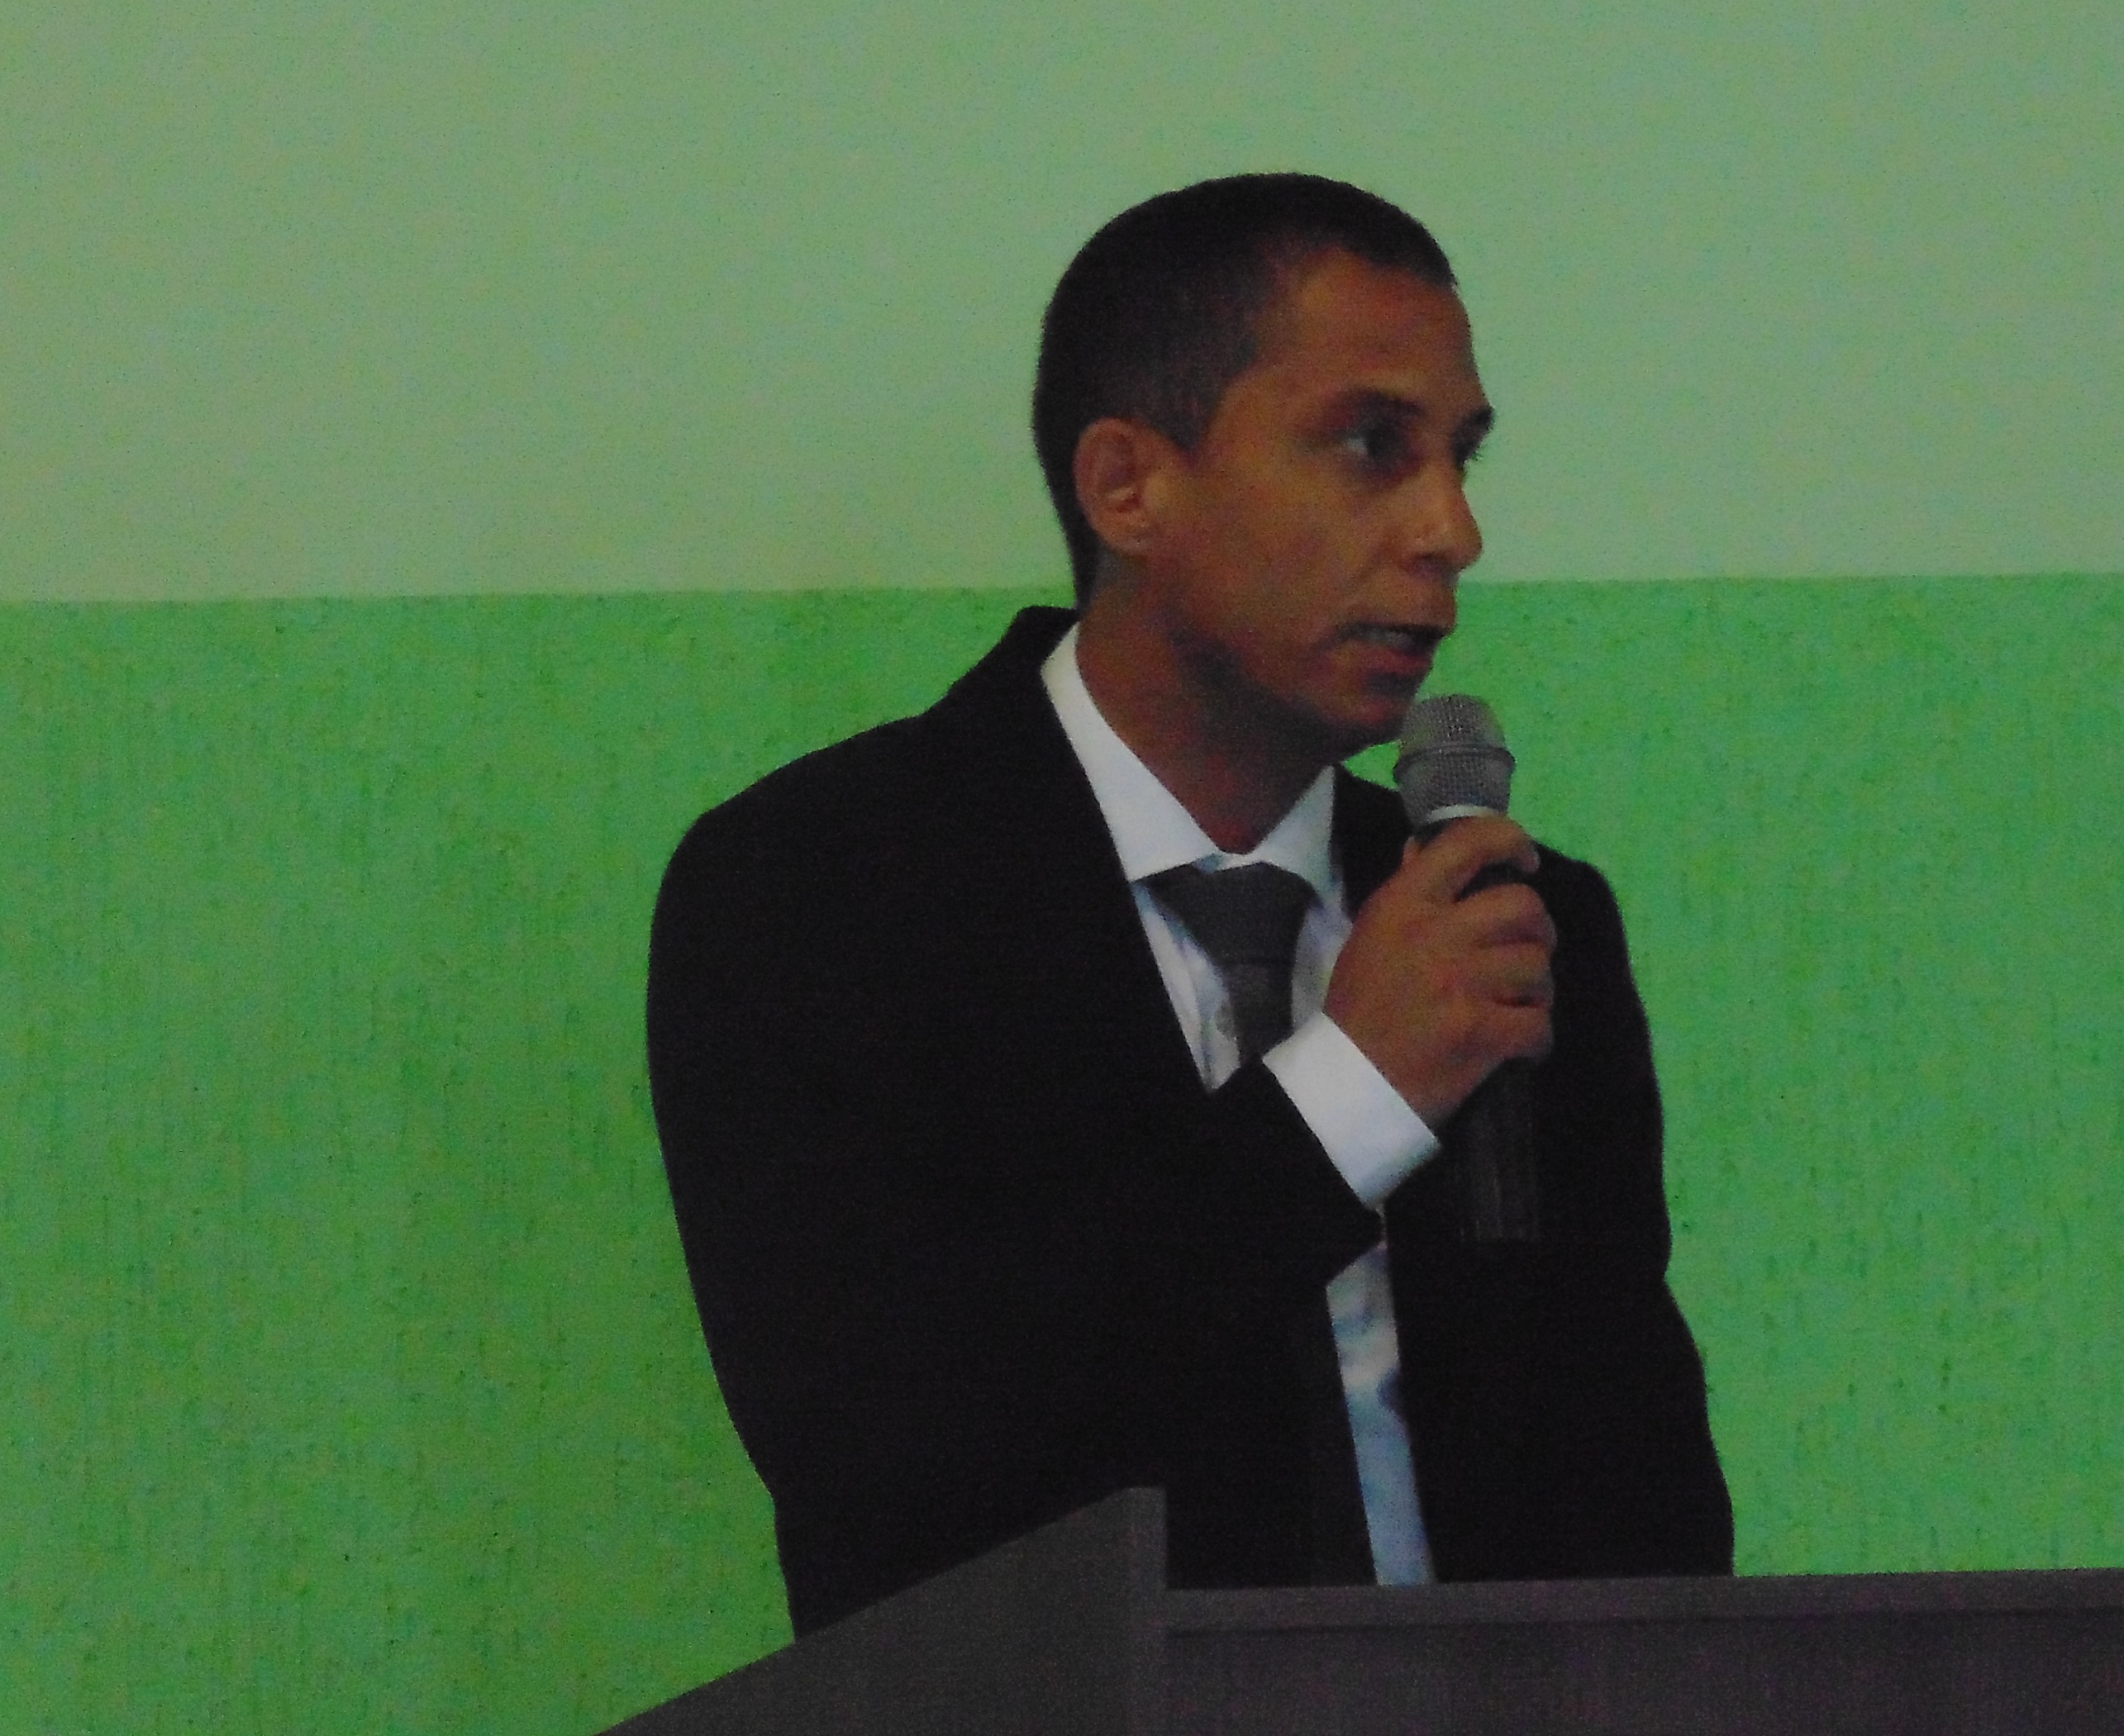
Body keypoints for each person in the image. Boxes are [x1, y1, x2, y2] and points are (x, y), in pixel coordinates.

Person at [647, 174, 1731, 1634]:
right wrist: (1352, 1096)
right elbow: (887, 1458)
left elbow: (1646, 1514)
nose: (1452, 530)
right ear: (1129, 488)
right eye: (1372, 446)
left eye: (1462, 456)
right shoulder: (819, 891)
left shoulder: (1510, 925)